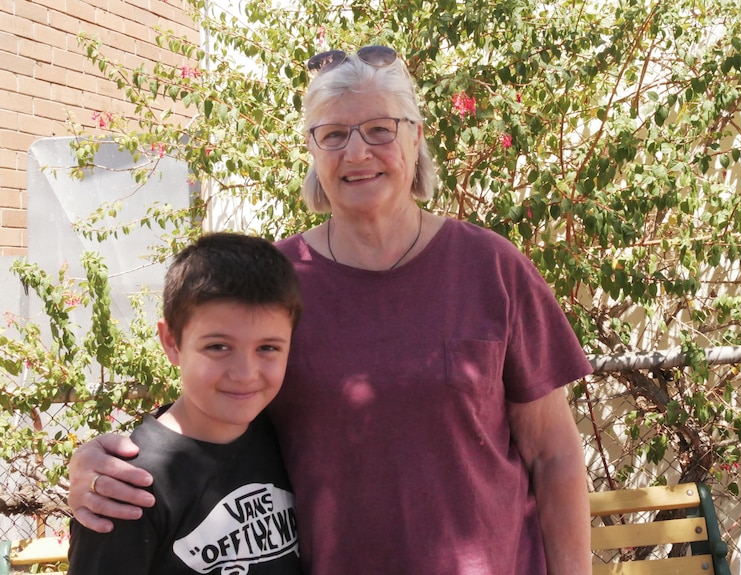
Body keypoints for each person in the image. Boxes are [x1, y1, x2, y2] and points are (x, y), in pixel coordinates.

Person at [66, 46, 594, 575]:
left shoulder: (491, 267)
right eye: (334, 135)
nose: (357, 153)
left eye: (380, 129)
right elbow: (213, 404)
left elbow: (555, 455)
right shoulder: (274, 280)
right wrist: (113, 461)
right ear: (313, 151)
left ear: (415, 135)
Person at [67, 232, 303, 575]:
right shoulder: (125, 486)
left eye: (268, 348)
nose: (245, 373)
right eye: (218, 347)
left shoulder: (285, 437)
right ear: (172, 342)